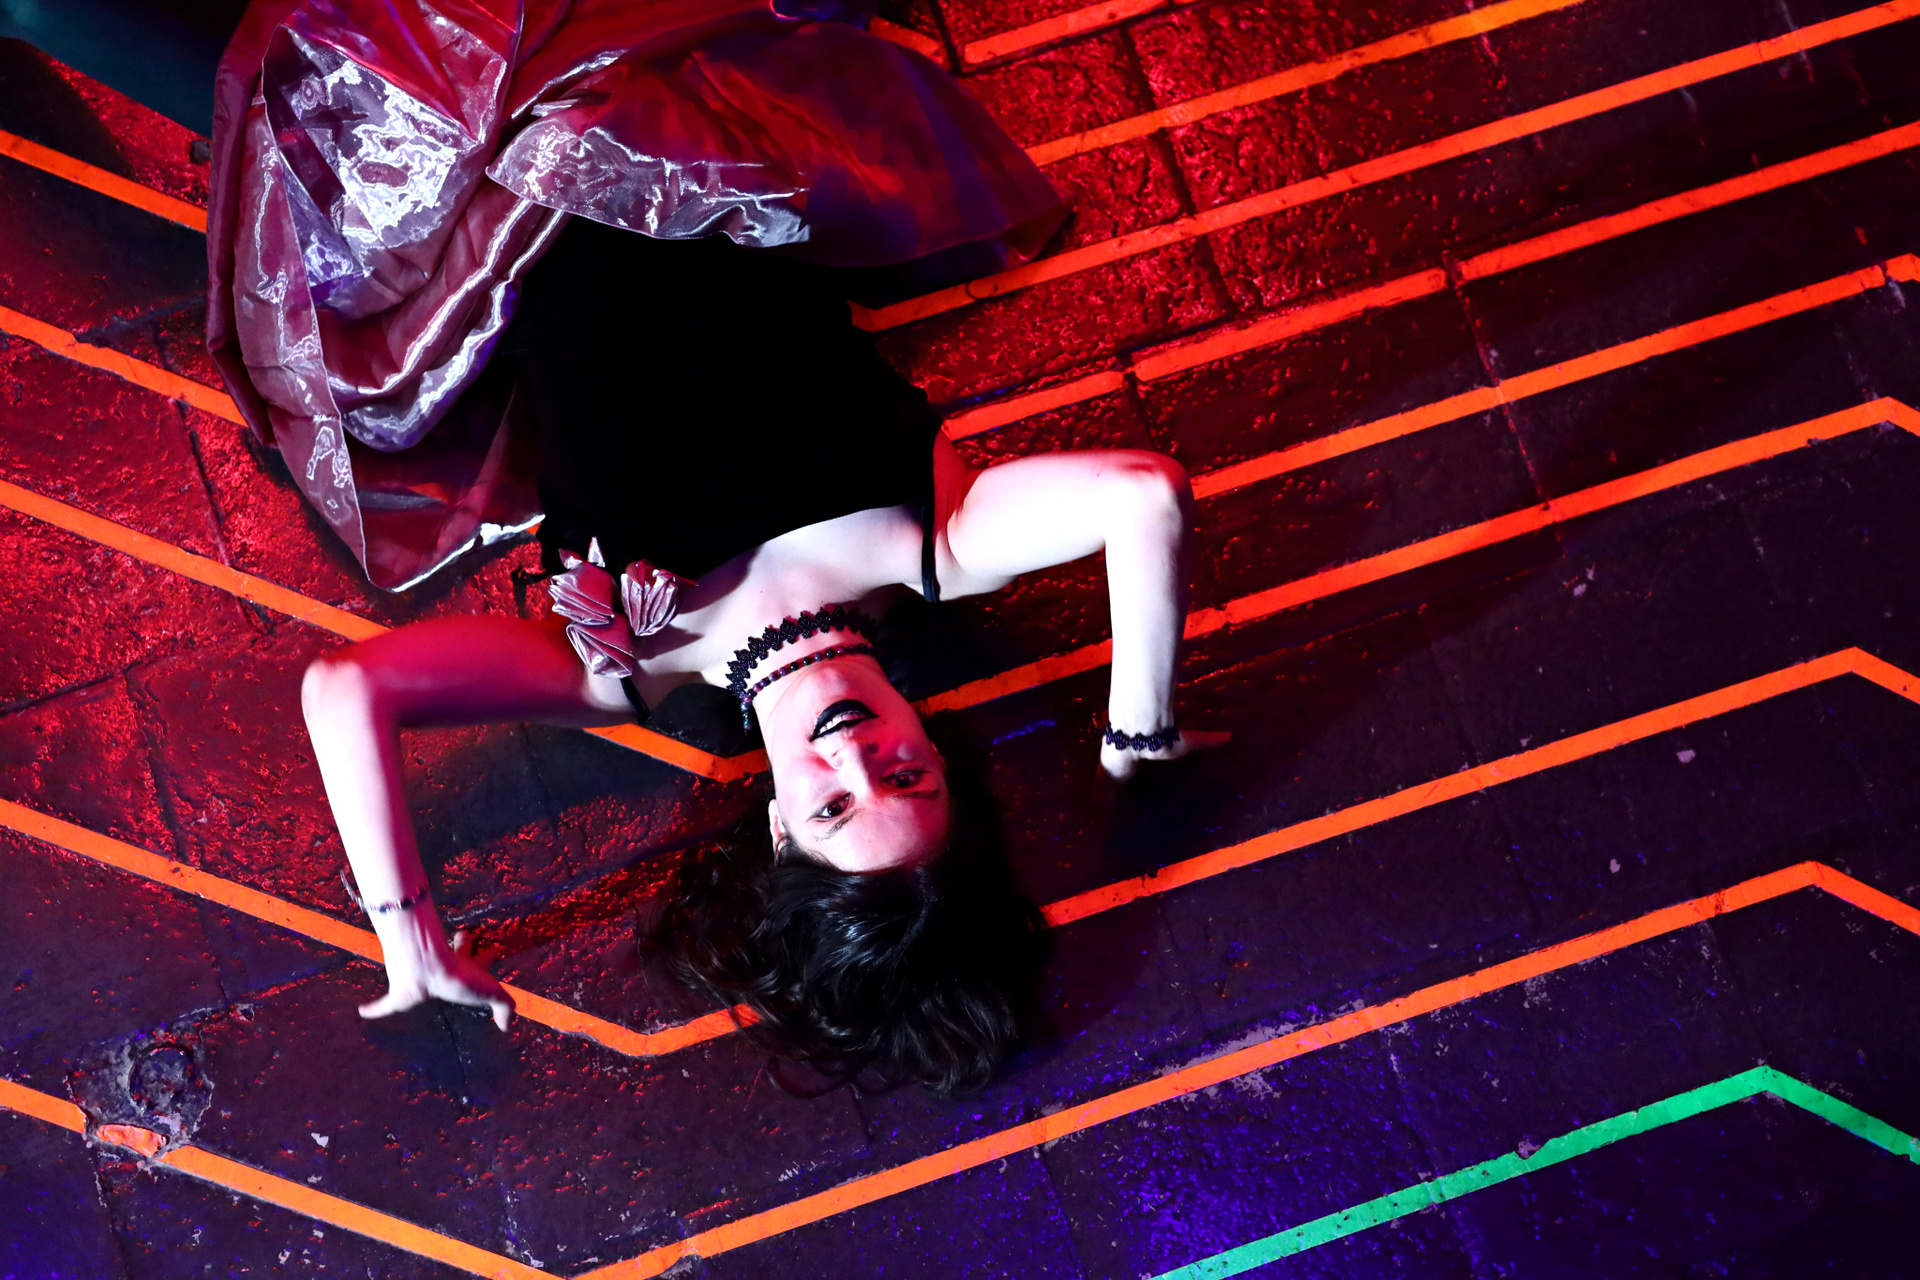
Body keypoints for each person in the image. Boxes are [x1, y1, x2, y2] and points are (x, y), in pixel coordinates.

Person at [199, 0, 1224, 1091]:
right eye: (904, 776)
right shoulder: (943, 547)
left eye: (833, 805)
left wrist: (405, 934)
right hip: (660, 78)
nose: (853, 752)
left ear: (779, 831)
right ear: (941, 757)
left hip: (467, 182)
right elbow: (1144, 496)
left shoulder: (623, 671)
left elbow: (346, 691)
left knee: (267, 66)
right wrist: (1137, 729)